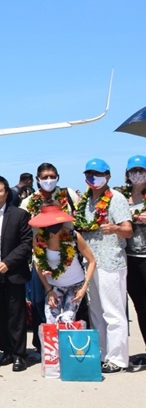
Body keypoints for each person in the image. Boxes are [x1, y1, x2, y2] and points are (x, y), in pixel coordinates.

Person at [75, 158, 133, 373]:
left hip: (111, 261)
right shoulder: (85, 200)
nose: (93, 177)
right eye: (89, 173)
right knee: (96, 311)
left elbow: (128, 230)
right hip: (90, 262)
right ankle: (101, 354)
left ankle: (118, 358)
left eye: (97, 174)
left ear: (108, 175)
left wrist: (115, 228)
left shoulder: (116, 199)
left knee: (113, 312)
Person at [20, 162, 81, 349]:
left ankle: (70, 341)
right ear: (37, 179)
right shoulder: (28, 202)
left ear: (58, 177)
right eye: (44, 177)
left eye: (52, 176)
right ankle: (42, 343)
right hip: (42, 256)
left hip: (68, 255)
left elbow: (79, 218)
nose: (49, 180)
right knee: (40, 299)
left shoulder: (68, 195)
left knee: (71, 300)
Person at [0, 175, 33, 371]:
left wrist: (8, 262)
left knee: (16, 314)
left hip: (13, 271)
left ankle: (19, 354)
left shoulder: (19, 214)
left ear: (6, 192)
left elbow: (27, 243)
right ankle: (7, 351)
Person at [30, 205, 96, 324]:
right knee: (51, 321)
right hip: (53, 286)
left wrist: (84, 287)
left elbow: (92, 261)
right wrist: (49, 290)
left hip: (76, 285)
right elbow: (38, 265)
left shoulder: (74, 236)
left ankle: (69, 342)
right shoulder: (38, 239)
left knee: (67, 319)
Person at [120, 155, 146, 352]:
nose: (137, 175)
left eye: (141, 170)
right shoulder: (122, 198)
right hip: (129, 257)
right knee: (140, 306)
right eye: (133, 171)